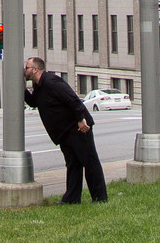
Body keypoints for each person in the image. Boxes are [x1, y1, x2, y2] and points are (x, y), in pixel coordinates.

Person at [23, 55, 108, 203]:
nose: (25, 71)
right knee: (73, 164)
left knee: (89, 162)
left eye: (27, 68)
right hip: (64, 133)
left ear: (35, 69)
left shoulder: (51, 81)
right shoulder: (39, 85)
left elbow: (72, 99)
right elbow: (34, 101)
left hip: (78, 128)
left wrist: (81, 120)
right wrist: (22, 88)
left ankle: (100, 198)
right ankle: (71, 199)